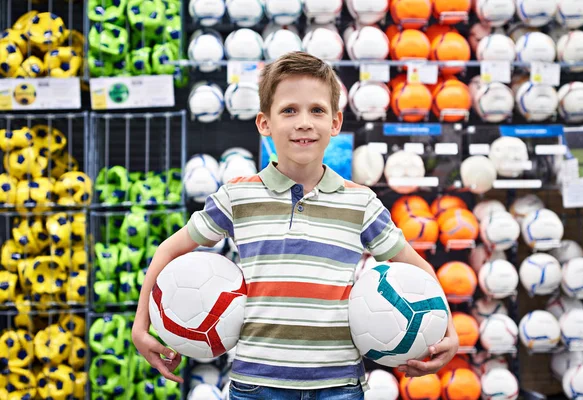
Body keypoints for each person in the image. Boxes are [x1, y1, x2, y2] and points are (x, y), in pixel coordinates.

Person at [132, 51, 459, 399]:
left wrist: (449, 332)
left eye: (317, 110)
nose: (304, 122)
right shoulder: (237, 197)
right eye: (289, 110)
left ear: (335, 122)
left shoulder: (361, 202)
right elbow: (168, 249)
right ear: (264, 123)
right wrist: (141, 327)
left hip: (339, 386)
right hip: (256, 384)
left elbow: (418, 268)